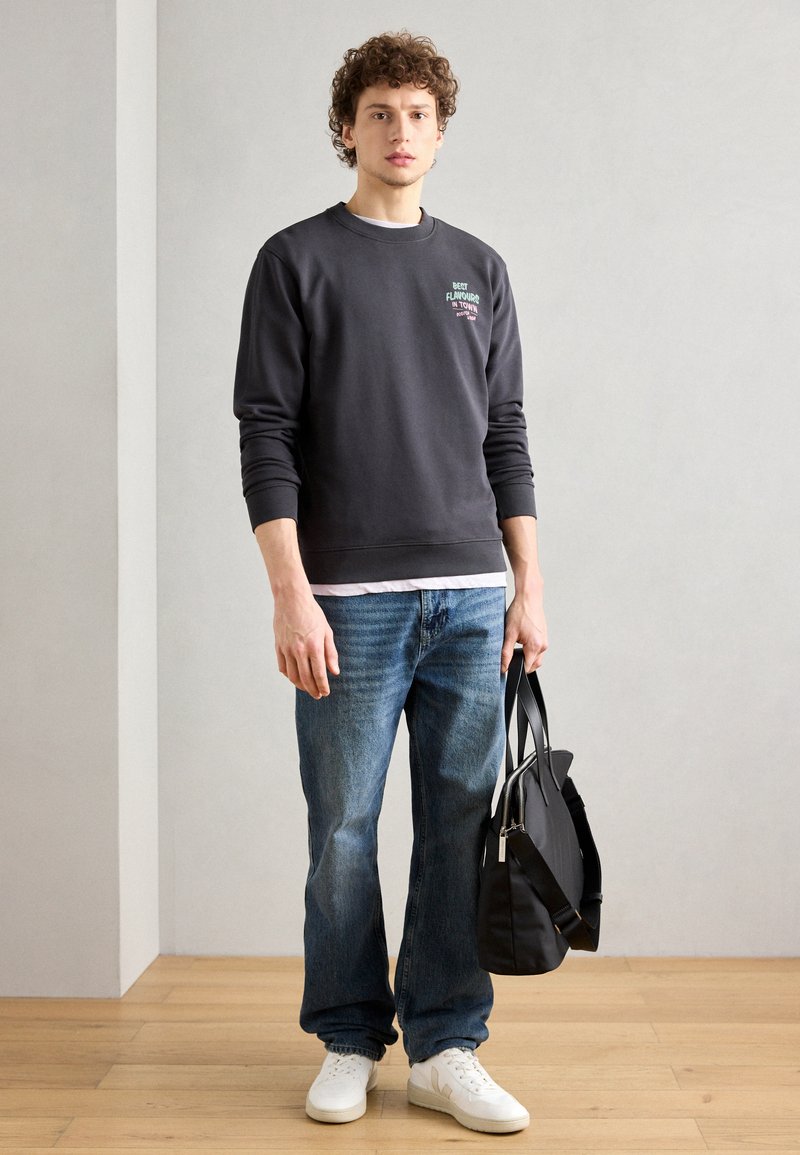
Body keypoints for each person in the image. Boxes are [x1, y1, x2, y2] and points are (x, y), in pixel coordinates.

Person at [233, 31, 547, 1135]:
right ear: (347, 129)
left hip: (470, 597)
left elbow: (505, 434)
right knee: (343, 831)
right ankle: (349, 1038)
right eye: (380, 113)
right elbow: (265, 432)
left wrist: (527, 584)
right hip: (348, 606)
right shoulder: (294, 261)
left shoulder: (479, 269)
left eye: (419, 114)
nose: (400, 132)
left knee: (458, 829)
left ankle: (446, 1045)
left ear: (440, 132)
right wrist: (290, 591)